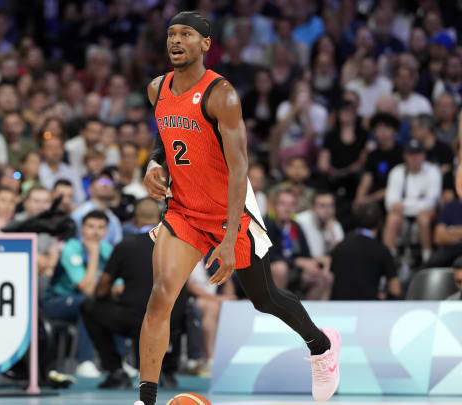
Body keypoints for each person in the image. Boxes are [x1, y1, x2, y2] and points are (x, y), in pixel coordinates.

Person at [135, 12, 339, 405]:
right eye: (172, 34)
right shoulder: (157, 88)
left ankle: (321, 346)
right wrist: (153, 163)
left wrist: (228, 239)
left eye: (187, 35)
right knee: (161, 294)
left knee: (265, 299)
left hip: (230, 209)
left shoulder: (221, 94)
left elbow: (240, 169)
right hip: (182, 210)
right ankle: (145, 400)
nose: (176, 41)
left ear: (206, 44)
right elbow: (165, 136)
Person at [82, 198, 187, 389]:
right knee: (177, 310)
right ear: (161, 218)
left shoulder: (126, 244)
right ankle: (168, 371)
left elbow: (103, 287)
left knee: (89, 306)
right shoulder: (178, 244)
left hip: (136, 317)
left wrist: (112, 294)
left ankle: (115, 370)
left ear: (134, 219)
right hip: (173, 317)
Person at [43, 210, 112, 378]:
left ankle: (117, 363)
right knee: (88, 304)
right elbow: (87, 289)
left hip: (87, 302)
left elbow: (118, 286)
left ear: (106, 231)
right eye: (90, 226)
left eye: (100, 227)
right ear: (82, 229)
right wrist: (94, 253)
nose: (95, 232)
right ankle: (85, 362)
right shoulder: (71, 248)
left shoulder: (108, 249)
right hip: (55, 302)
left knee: (114, 305)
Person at [383, 139, 441, 262]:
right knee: (392, 218)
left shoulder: (433, 171)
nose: (414, 157)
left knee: (423, 217)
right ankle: (387, 262)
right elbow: (390, 202)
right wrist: (415, 205)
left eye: (418, 153)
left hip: (425, 215)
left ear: (424, 155)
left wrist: (404, 205)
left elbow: (432, 202)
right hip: (403, 215)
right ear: (405, 156)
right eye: (411, 154)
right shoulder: (397, 172)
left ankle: (427, 259)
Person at [330, 203, 400, 300]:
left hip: (339, 308)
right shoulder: (382, 250)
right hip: (369, 308)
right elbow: (395, 289)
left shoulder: (340, 247)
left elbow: (330, 277)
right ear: (380, 223)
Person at [296, 191, 344, 259]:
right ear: (312, 208)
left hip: (325, 263)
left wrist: (332, 232)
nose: (328, 210)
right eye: (322, 206)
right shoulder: (300, 221)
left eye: (331, 205)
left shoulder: (335, 225)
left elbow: (341, 254)